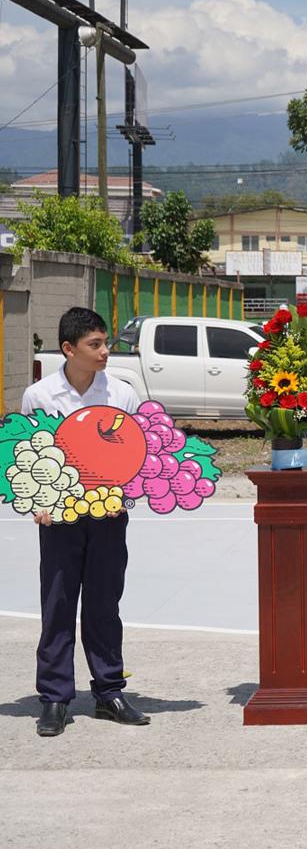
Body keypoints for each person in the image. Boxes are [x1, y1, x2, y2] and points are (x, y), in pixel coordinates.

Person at [20, 307, 151, 737]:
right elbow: (28, 455)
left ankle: (109, 691)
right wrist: (39, 501)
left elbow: (137, 457)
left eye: (105, 342)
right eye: (95, 345)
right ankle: (55, 698)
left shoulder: (122, 394)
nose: (105, 352)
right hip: (58, 519)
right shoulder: (39, 396)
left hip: (109, 519)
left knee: (104, 604)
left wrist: (123, 496)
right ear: (68, 349)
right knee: (58, 604)